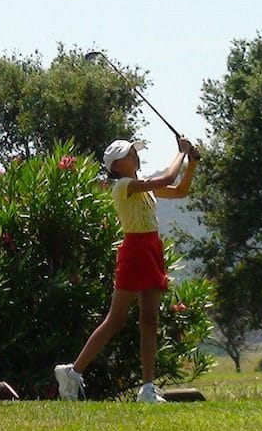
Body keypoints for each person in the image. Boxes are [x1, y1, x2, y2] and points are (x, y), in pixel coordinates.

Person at [54, 136, 200, 402]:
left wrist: (191, 164)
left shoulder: (142, 186)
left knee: (149, 320)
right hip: (134, 250)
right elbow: (167, 178)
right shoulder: (124, 186)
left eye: (135, 152)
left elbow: (179, 190)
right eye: (130, 153)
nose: (135, 155)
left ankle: (147, 388)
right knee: (116, 319)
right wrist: (181, 153)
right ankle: (73, 372)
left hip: (151, 247)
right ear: (116, 166)